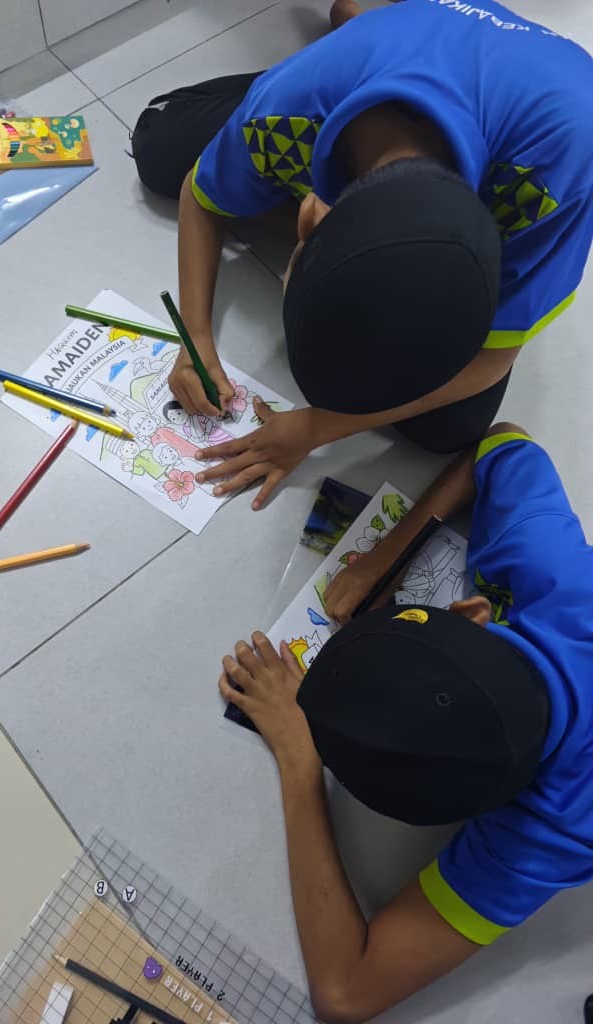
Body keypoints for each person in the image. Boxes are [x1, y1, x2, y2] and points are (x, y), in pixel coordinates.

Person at [131, 0, 593, 509]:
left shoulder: (556, 179)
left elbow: (496, 357)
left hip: (536, 102)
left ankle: (359, 31)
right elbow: (198, 194)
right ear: (307, 216)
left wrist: (316, 427)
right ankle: (353, 24)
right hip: (371, 60)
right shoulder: (282, 114)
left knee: (448, 428)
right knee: (158, 150)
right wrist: (194, 336)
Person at [219, 422, 593, 1022]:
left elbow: (344, 995)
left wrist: (298, 760)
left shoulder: (549, 834)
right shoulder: (557, 577)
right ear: (469, 614)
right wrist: (388, 556)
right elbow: (499, 441)